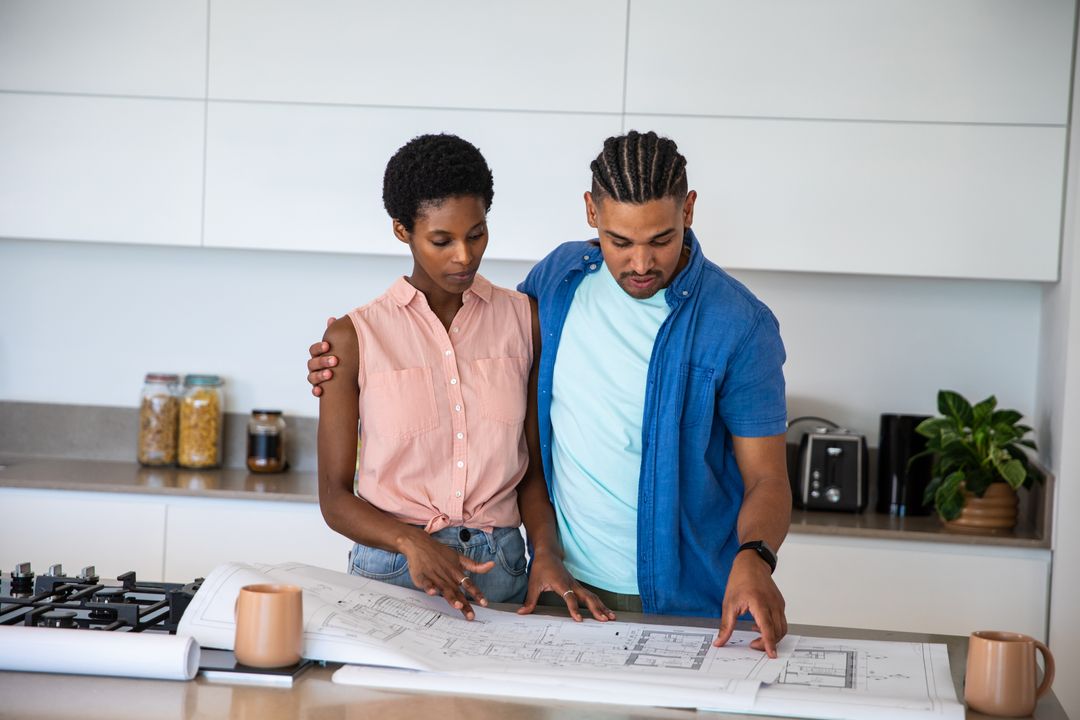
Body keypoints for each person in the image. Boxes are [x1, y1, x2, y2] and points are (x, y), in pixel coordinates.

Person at [310, 131, 791, 656]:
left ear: (689, 211)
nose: (640, 263)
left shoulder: (737, 324)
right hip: (547, 586)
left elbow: (767, 478)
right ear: (591, 212)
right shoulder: (559, 281)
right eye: (620, 241)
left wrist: (756, 555)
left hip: (674, 591)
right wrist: (347, 355)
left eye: (661, 240)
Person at [316, 133, 614, 622]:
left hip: (501, 571)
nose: (464, 256)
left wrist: (546, 554)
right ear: (402, 231)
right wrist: (411, 542)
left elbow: (531, 471)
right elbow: (333, 498)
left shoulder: (523, 320)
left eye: (476, 234)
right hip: (393, 570)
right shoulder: (354, 338)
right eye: (442, 241)